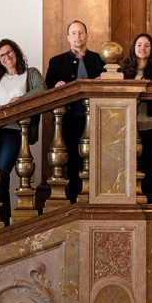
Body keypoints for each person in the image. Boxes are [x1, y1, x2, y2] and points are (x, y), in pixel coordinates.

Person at [0, 39, 47, 225]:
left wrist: (20, 100)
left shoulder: (30, 73)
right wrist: (1, 109)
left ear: (16, 53)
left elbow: (41, 89)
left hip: (15, 132)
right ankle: (3, 219)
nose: (6, 57)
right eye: (2, 55)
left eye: (9, 52)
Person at [45, 20, 105, 202]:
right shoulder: (56, 62)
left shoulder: (99, 59)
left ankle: (95, 197)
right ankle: (73, 199)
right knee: (71, 158)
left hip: (95, 118)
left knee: (96, 158)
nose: (77, 36)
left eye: (81, 33)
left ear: (86, 36)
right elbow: (48, 88)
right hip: (69, 119)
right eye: (74, 33)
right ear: (68, 38)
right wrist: (56, 86)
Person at [121, 33, 152, 202]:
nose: (142, 48)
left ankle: (149, 197)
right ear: (134, 48)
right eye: (139, 45)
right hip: (129, 123)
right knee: (129, 162)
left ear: (151, 49)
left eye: (147, 45)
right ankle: (130, 197)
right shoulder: (124, 71)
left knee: (149, 162)